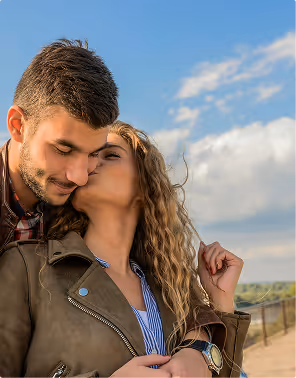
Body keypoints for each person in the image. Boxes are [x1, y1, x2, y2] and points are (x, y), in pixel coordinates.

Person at [0, 121, 251, 378]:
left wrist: (220, 304)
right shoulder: (27, 267)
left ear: (145, 186)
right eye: (89, 156)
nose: (89, 164)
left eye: (110, 155)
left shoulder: (171, 289)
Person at [0, 38, 119, 252]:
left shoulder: (85, 209)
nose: (80, 177)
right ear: (18, 126)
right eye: (63, 150)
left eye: (93, 154)